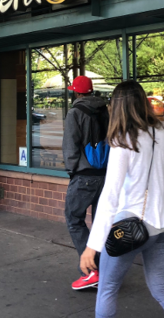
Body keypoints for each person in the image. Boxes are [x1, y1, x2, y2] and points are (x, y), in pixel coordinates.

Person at [80, 81, 164, 318]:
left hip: (132, 224)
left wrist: (92, 245)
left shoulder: (122, 140)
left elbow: (111, 195)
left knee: (107, 289)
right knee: (163, 289)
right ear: (142, 102)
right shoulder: (160, 130)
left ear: (117, 106)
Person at [62, 75, 109, 290]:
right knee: (100, 222)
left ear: (77, 92)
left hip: (84, 175)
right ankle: (106, 269)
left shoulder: (75, 112)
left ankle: (91, 271)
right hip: (105, 174)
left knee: (74, 219)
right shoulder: (105, 110)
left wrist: (72, 171)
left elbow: (70, 146)